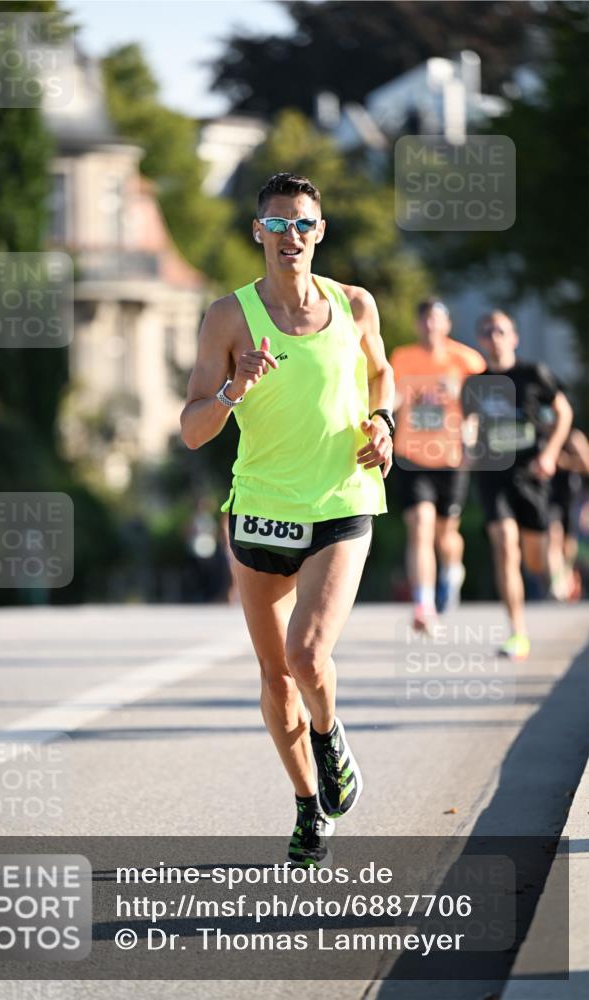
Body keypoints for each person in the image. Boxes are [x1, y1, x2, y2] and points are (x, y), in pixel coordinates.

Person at [180, 172, 394, 867]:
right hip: (260, 511)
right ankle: (308, 805)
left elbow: (381, 373)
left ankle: (329, 739)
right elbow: (191, 430)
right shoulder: (227, 317)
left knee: (307, 654)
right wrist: (232, 389)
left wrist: (385, 423)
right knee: (275, 677)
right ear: (256, 232)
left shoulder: (355, 304)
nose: (289, 237)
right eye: (275, 225)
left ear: (319, 232)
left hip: (341, 499)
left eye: (301, 224)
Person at [462, 310, 573, 660]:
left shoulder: (533, 374)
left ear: (514, 337)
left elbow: (564, 413)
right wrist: (466, 447)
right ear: (480, 339)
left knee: (535, 560)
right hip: (493, 476)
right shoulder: (474, 384)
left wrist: (551, 453)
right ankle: (517, 632)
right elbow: (468, 422)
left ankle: (553, 563)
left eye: (501, 330)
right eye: (487, 330)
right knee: (505, 547)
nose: (494, 336)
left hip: (532, 475)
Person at [390, 299, 485, 632]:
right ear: (418, 325)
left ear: (447, 324)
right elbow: (395, 398)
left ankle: (452, 568)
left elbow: (481, 405)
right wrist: (386, 410)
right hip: (411, 455)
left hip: (451, 457)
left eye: (436, 319)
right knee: (420, 524)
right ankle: (424, 603)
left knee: (446, 534)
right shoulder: (402, 358)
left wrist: (471, 428)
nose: (430, 326)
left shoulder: (467, 360)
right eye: (424, 319)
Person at [547, 428, 589, 600]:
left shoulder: (575, 438)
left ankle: (569, 578)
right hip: (552, 497)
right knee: (553, 537)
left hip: (573, 500)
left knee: (568, 547)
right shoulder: (546, 436)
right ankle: (557, 584)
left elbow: (587, 465)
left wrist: (567, 462)